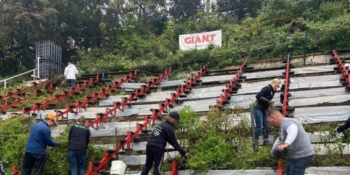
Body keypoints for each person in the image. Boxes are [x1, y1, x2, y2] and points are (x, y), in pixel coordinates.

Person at [267, 110, 314, 175]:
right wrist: (272, 154)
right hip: (299, 156)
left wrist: (286, 144)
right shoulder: (283, 125)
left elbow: (293, 130)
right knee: (288, 171)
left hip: (301, 156)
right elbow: (280, 140)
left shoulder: (288, 123)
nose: (270, 124)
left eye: (269, 122)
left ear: (273, 118)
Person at [254, 78, 281, 145]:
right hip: (258, 108)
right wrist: (267, 101)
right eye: (277, 86)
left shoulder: (273, 91)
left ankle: (265, 140)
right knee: (259, 126)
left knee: (266, 125)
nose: (277, 88)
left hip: (263, 110)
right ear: (273, 83)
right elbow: (258, 96)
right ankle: (255, 141)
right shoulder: (267, 88)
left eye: (278, 86)